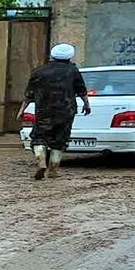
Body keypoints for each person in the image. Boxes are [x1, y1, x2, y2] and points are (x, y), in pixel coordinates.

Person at [17, 43, 90, 180]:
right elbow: (81, 90)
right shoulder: (72, 71)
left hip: (44, 111)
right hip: (66, 111)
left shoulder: (39, 71)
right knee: (60, 139)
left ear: (52, 56)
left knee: (39, 137)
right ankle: (54, 169)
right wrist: (87, 104)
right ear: (69, 57)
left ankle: (41, 162)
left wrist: (22, 110)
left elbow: (29, 94)